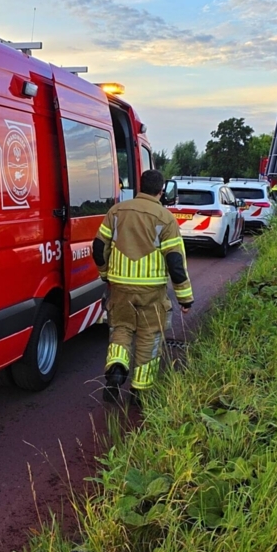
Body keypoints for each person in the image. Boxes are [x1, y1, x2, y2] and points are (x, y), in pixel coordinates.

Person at [93, 169, 194, 406]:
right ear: (161, 191)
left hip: (119, 288)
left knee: (121, 328)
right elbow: (175, 262)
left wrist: (105, 274)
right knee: (150, 337)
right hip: (152, 292)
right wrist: (185, 298)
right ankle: (139, 392)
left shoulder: (116, 212)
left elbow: (98, 247)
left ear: (140, 186)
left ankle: (117, 368)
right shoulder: (165, 218)